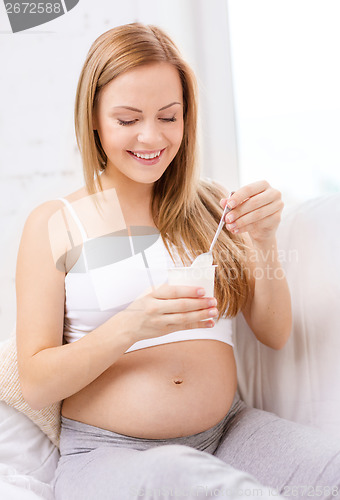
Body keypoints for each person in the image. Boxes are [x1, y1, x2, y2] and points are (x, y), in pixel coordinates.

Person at [15, 23, 340, 500]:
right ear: (94, 119)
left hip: (230, 434)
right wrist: (132, 325)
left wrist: (264, 240)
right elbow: (38, 383)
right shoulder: (57, 222)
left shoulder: (211, 206)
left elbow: (274, 333)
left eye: (169, 116)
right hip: (111, 455)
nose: (152, 137)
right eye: (127, 120)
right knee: (181, 478)